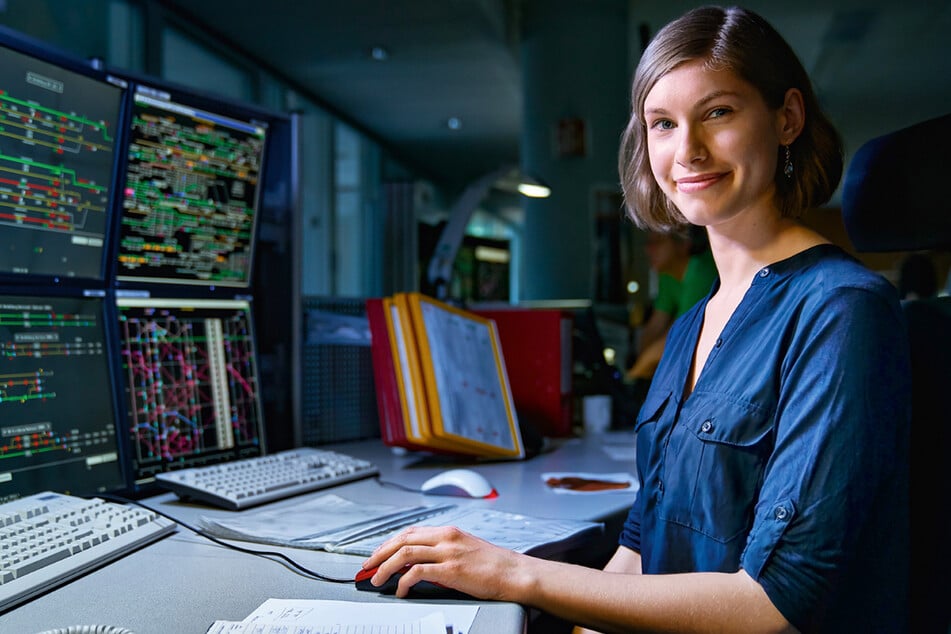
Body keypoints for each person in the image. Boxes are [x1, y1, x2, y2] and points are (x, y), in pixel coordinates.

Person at [360, 6, 911, 633]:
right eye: (663, 124)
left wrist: (515, 573)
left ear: (786, 118)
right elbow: (641, 552)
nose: (688, 150)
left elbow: (777, 605)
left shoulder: (841, 310)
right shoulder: (690, 327)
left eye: (718, 112)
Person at [626, 226, 716, 381]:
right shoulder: (668, 274)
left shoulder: (700, 271)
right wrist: (641, 367)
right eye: (648, 242)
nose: (649, 249)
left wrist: (633, 376)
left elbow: (679, 335)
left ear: (683, 244)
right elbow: (654, 327)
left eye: (658, 242)